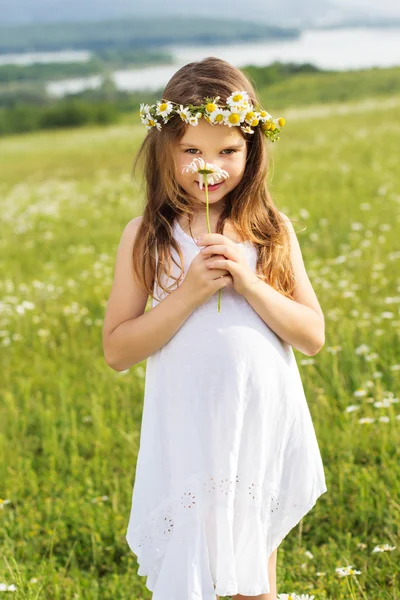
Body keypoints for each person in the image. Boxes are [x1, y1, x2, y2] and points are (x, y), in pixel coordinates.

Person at [102, 56, 328, 600]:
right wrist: (189, 294)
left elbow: (311, 335)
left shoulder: (271, 230)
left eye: (228, 150)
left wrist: (249, 284)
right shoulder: (147, 236)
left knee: (253, 571)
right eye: (192, 152)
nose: (211, 167)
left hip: (259, 418)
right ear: (166, 151)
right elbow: (118, 350)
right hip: (189, 424)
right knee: (196, 566)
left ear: (252, 149)